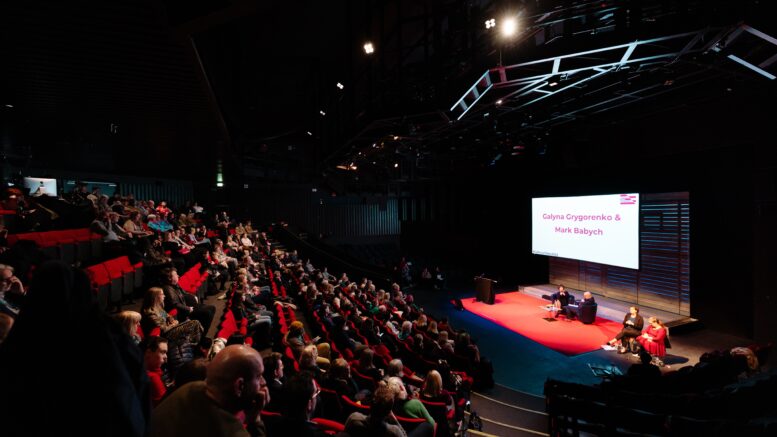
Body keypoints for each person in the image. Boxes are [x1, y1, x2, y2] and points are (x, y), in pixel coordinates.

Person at [150, 344, 270, 437]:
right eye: (259, 376)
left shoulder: (189, 388)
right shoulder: (232, 433)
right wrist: (255, 420)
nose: (263, 382)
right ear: (240, 386)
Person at [144, 336, 170, 407]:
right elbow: (164, 406)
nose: (166, 357)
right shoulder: (153, 377)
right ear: (148, 353)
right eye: (163, 352)